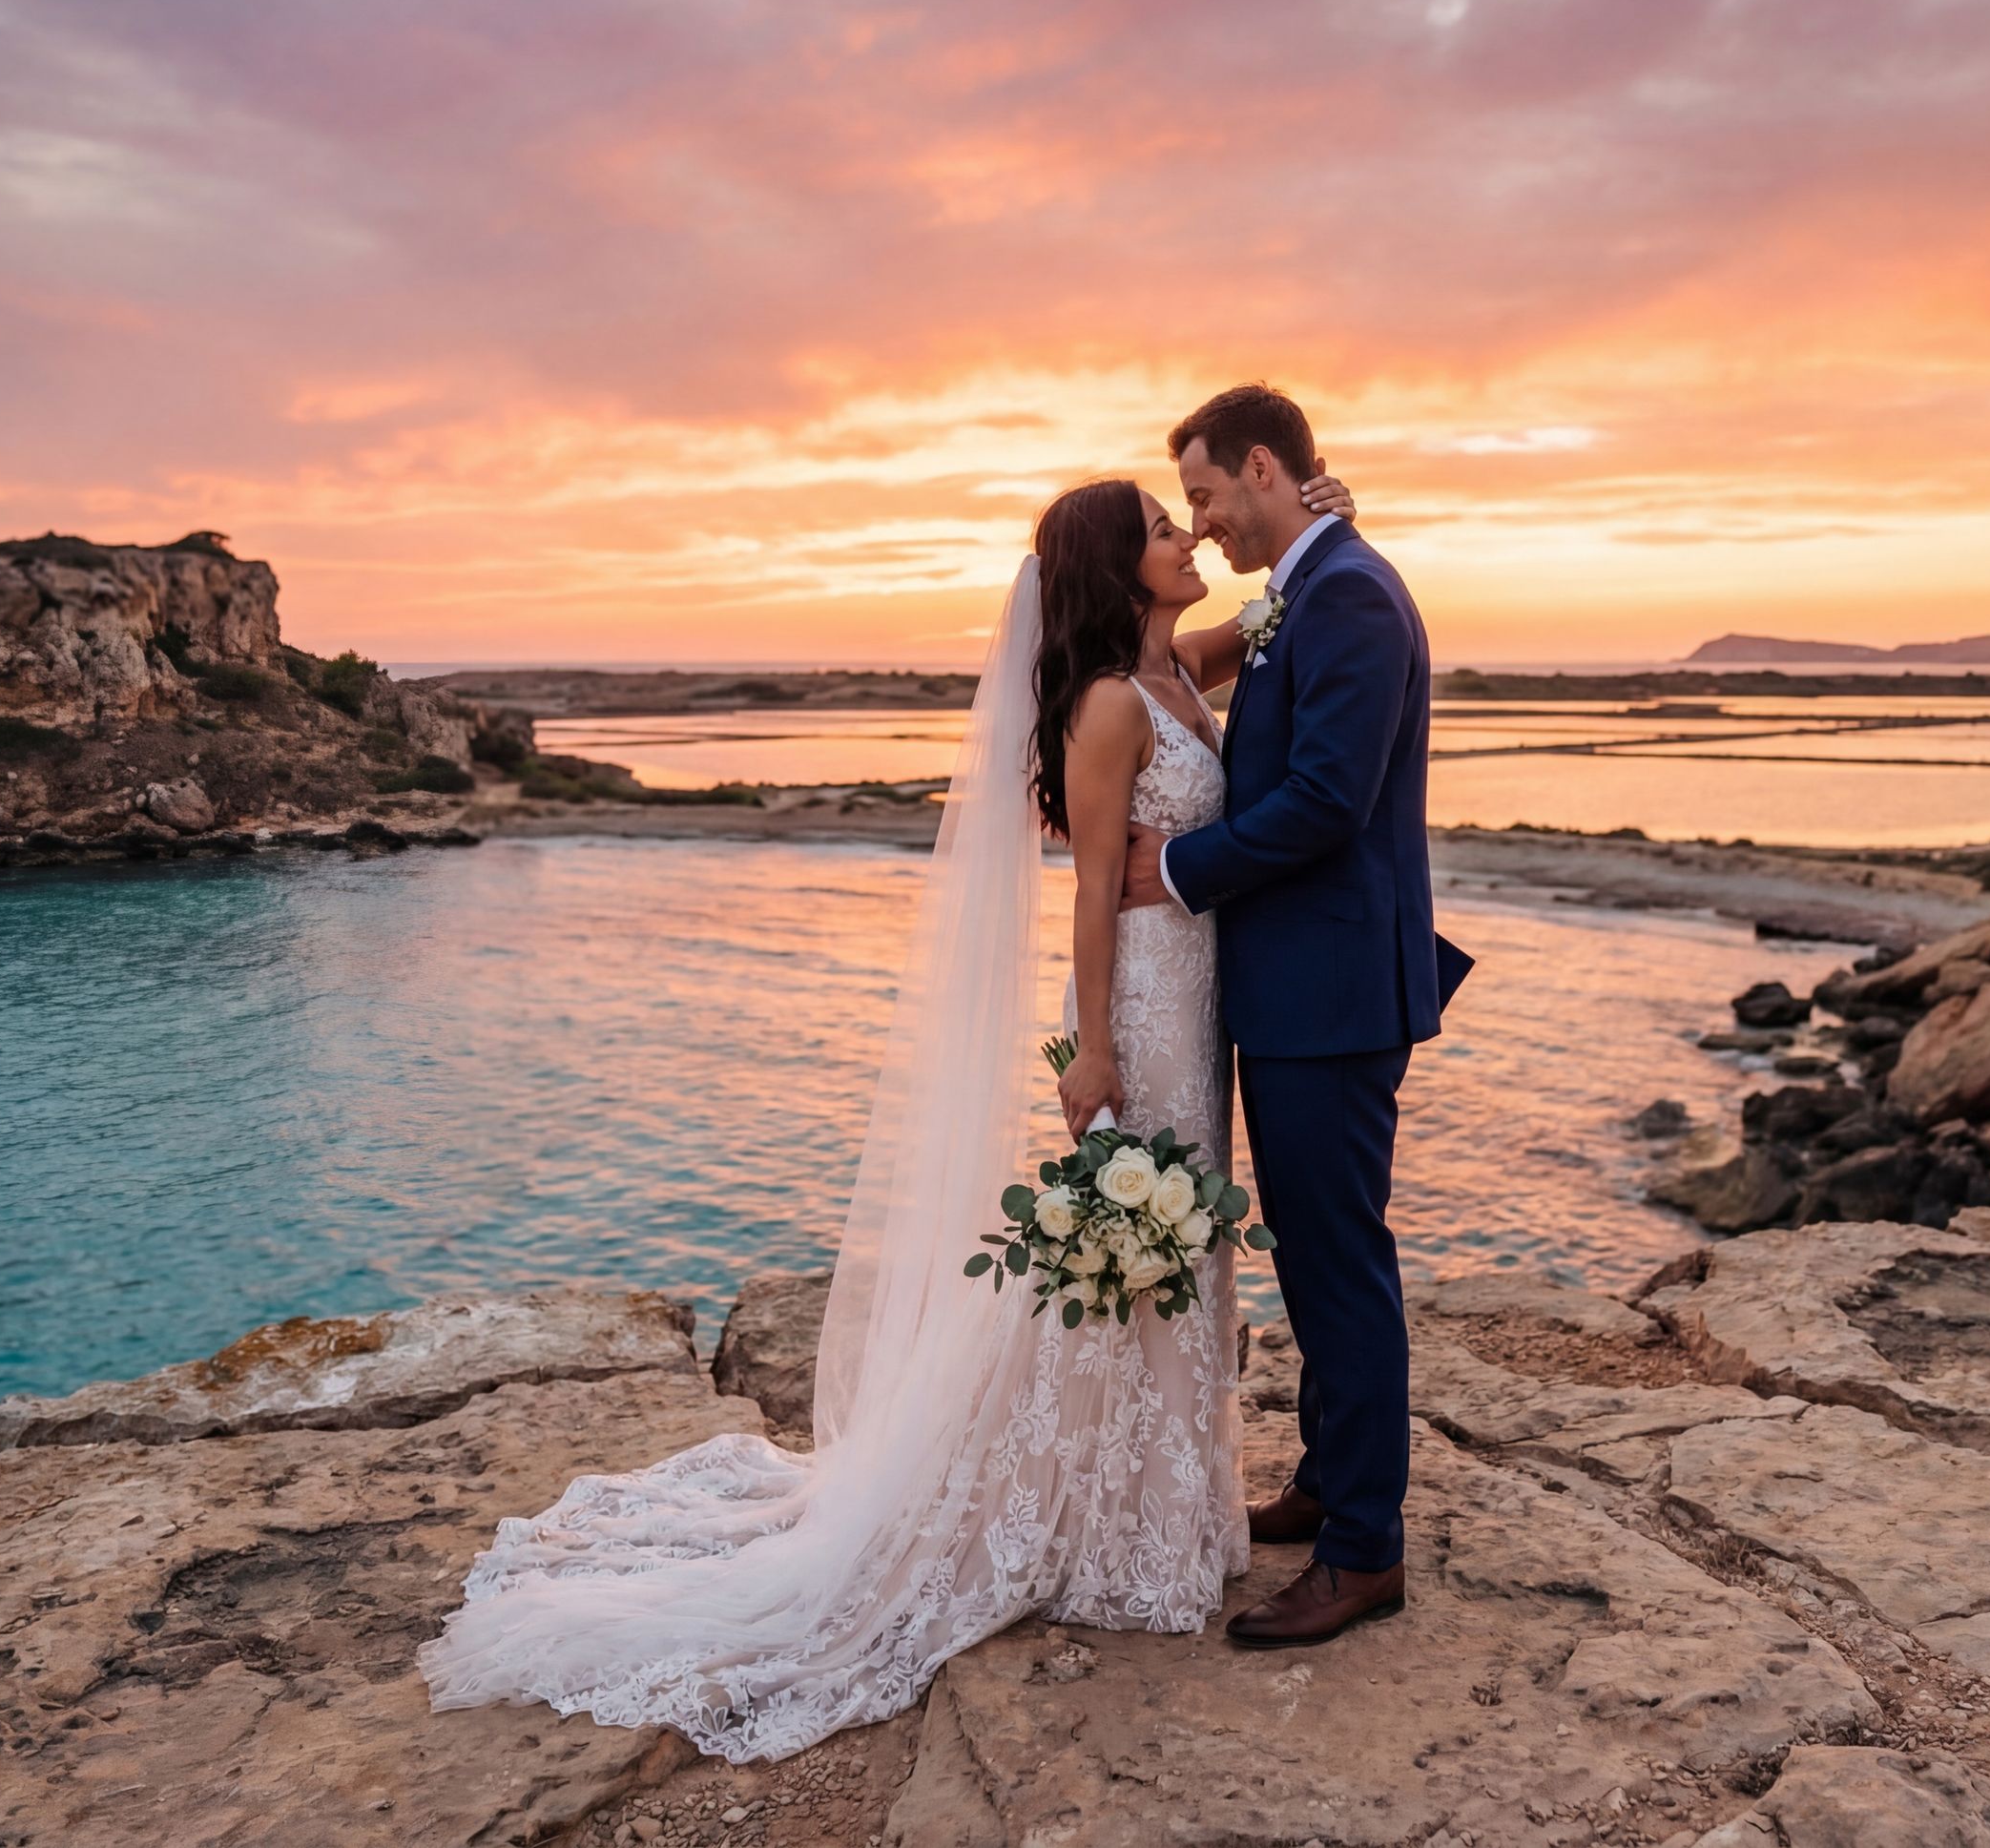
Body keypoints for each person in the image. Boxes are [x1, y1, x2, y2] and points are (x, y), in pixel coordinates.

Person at [415, 459, 1357, 1761]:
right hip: (1142, 1003)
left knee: (1174, 1250)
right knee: (1128, 1253)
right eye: (1159, 529)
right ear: (1110, 566)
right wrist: (1091, 1054)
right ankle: (1096, 1519)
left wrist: (1313, 537)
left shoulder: (1171, 672)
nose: (1189, 535)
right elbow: (1091, 891)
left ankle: (1160, 1506)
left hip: (1198, 1002)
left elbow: (1233, 628)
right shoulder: (1102, 707)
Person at [1123, 383, 1470, 1649]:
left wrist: (1169, 869)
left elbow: (1328, 799)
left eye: (1209, 495)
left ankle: (1365, 1547)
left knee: (1339, 1260)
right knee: (1316, 1247)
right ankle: (1330, 1482)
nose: (1204, 527)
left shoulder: (1354, 598)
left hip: (1331, 991)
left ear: (1264, 467)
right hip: (1295, 989)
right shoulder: (1306, 590)